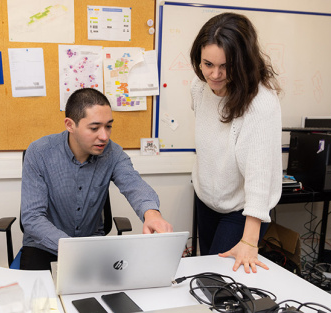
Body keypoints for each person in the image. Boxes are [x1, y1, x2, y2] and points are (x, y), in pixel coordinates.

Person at [20, 88, 173, 270]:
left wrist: (152, 214)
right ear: (70, 125)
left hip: (91, 245)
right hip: (44, 246)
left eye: (108, 126)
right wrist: (72, 249)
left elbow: (133, 184)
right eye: (94, 128)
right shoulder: (39, 153)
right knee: (42, 297)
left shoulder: (113, 153)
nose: (104, 136)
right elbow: (32, 218)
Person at [189, 13, 282, 273]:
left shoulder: (260, 103)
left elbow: (260, 176)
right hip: (207, 200)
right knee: (204, 277)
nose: (215, 75)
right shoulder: (199, 86)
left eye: (226, 66)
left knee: (219, 280)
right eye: (208, 64)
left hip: (241, 211)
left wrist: (249, 241)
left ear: (243, 63)